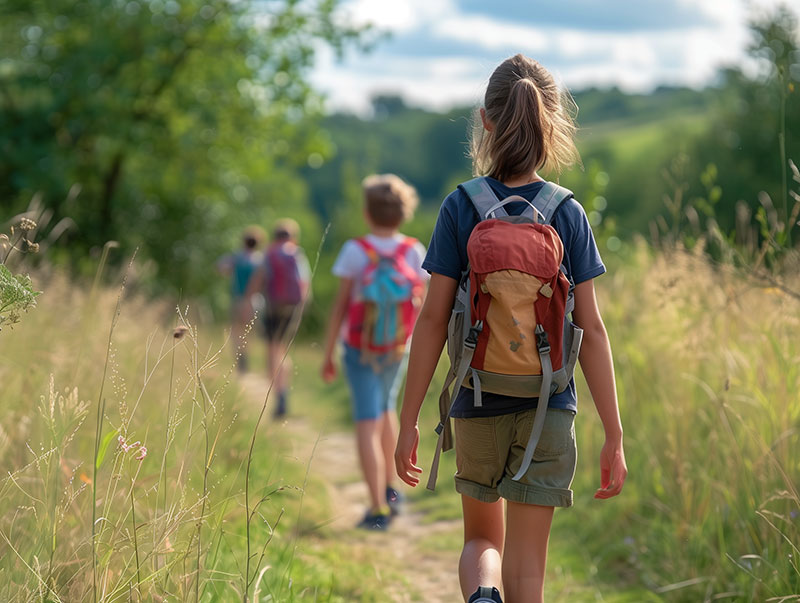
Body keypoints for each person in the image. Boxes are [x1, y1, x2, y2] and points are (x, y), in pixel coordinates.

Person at [394, 54, 628, 603]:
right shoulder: (566, 213)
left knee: (481, 540)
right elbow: (590, 330)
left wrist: (408, 420)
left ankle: (481, 594)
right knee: (529, 567)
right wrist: (614, 434)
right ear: (552, 121)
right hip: (550, 402)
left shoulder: (460, 206)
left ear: (486, 120)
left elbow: (432, 321)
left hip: (477, 397)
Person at [322, 174, 429, 531]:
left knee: (367, 421)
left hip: (359, 349)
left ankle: (377, 508)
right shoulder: (413, 251)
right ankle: (392, 489)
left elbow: (340, 307)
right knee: (386, 409)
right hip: (399, 348)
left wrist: (327, 353)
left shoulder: (355, 250)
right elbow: (425, 309)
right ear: (404, 213)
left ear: (367, 213)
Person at [246, 218, 310, 417]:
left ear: (275, 236)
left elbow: (259, 279)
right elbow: (305, 284)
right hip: (292, 308)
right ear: (293, 237)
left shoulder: (270, 253)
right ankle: (284, 393)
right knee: (283, 349)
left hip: (273, 307)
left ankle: (278, 393)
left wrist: (249, 300)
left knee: (272, 350)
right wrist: (301, 307)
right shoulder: (297, 254)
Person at [216, 226, 264, 373]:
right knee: (250, 331)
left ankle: (240, 358)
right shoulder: (260, 260)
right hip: (256, 301)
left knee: (236, 331)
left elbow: (220, 267)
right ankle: (246, 355)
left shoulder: (237, 258)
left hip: (238, 299)